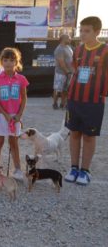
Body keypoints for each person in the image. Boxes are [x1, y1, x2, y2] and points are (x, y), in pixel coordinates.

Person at [64, 16, 108, 186]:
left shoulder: (105, 51)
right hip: (75, 99)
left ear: (97, 32)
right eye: (81, 30)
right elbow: (75, 70)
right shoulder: (78, 50)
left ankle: (85, 170)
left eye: (87, 31)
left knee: (89, 136)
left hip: (93, 101)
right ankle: (74, 167)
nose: (82, 34)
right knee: (74, 133)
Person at [0, 48, 29, 181]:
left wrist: (19, 115)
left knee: (14, 143)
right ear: (1, 62)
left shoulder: (21, 79)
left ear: (17, 62)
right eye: (5, 60)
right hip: (0, 116)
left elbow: (24, 98)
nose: (8, 63)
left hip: (15, 116)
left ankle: (18, 169)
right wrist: (4, 114)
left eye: (12, 60)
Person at [52, 34, 73, 109]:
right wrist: (67, 71)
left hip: (69, 72)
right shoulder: (59, 49)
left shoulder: (68, 47)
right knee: (58, 89)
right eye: (68, 38)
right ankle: (55, 103)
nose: (70, 39)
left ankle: (63, 104)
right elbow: (61, 62)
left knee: (66, 89)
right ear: (63, 39)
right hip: (61, 73)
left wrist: (70, 71)